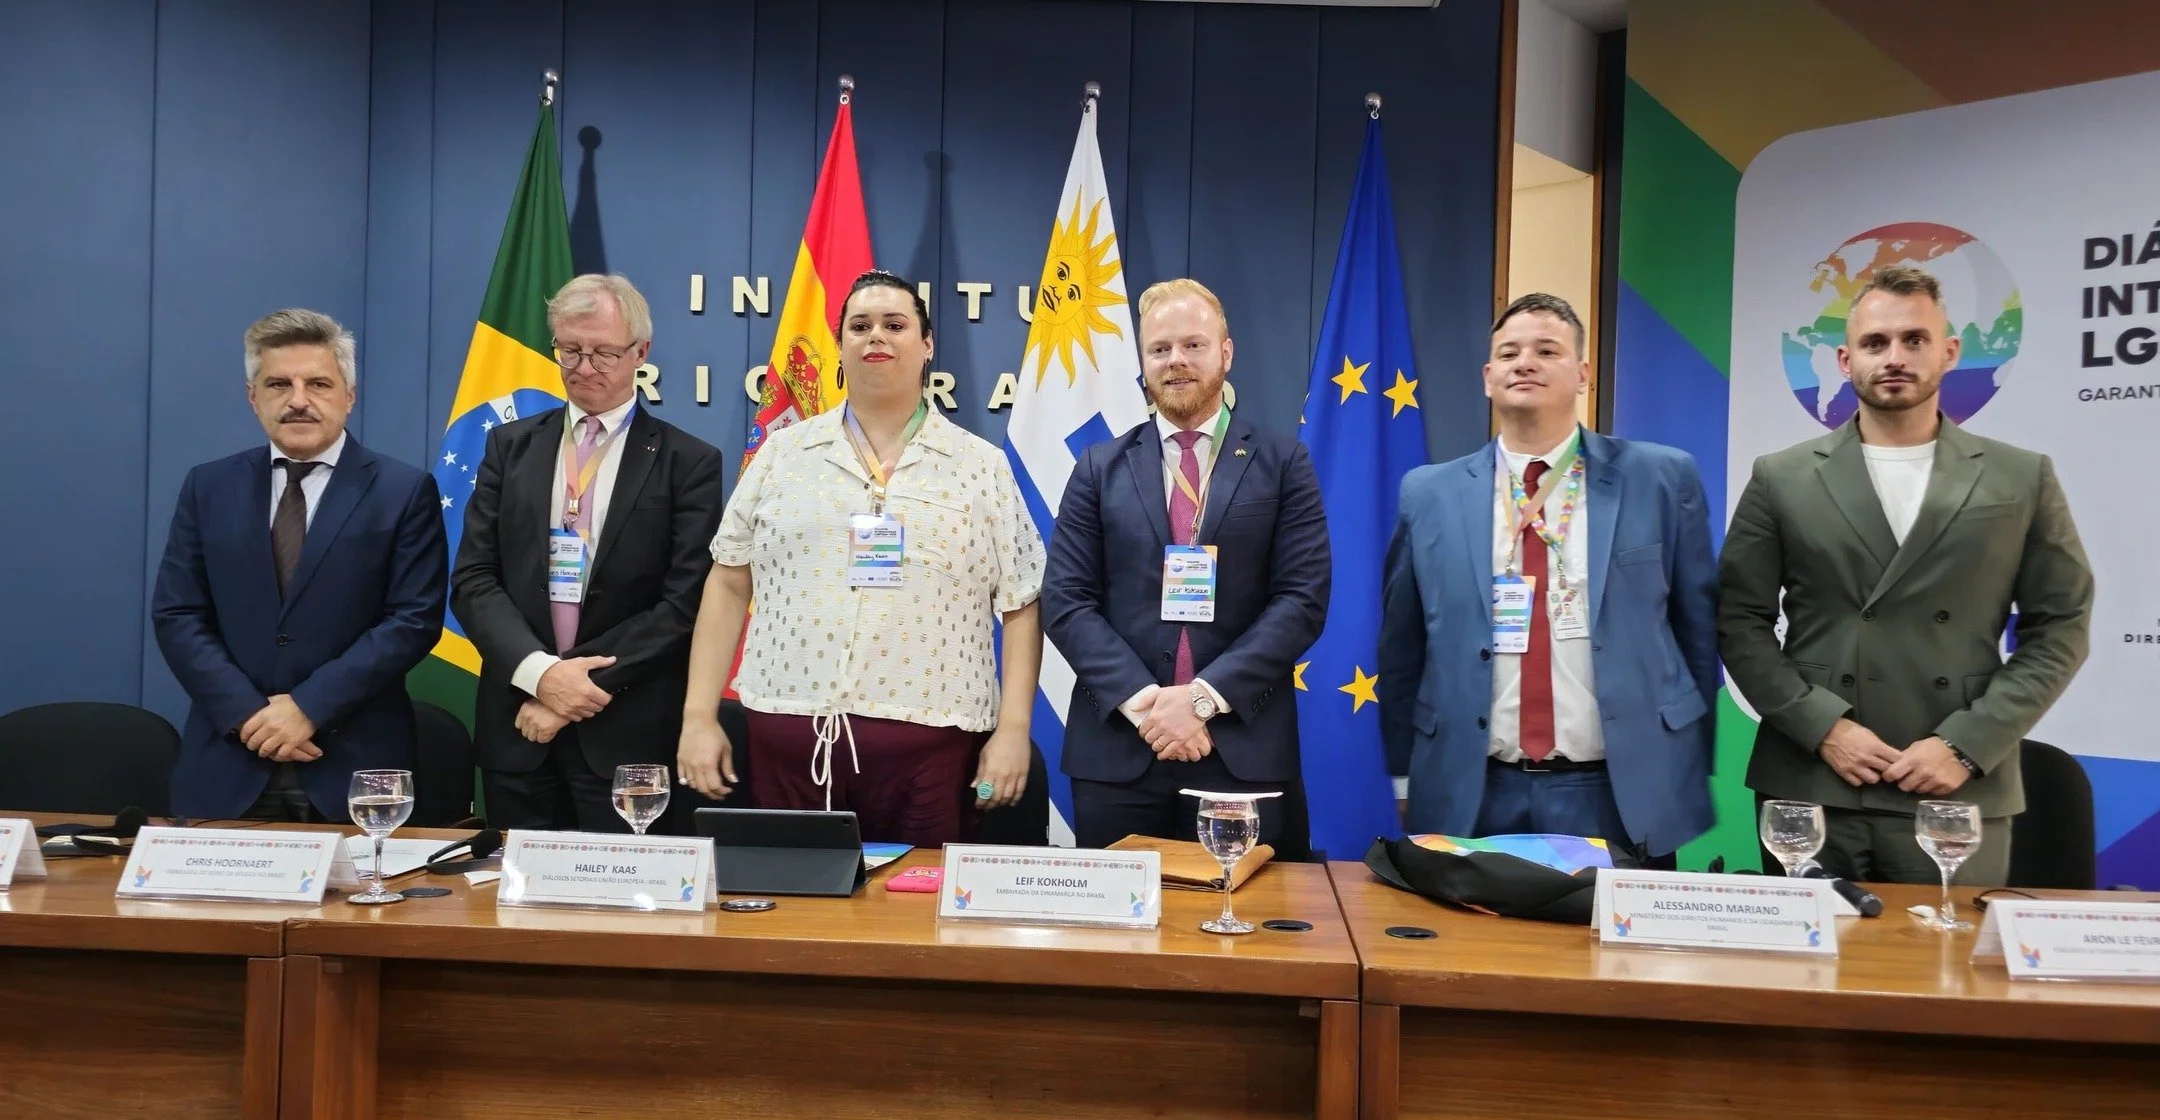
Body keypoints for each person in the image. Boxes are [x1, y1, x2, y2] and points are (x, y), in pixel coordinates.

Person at [1720, 265, 2093, 885]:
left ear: (1949, 353)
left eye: (1914, 340)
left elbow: (2062, 626)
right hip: (1815, 780)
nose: (1895, 357)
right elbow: (1738, 619)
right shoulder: (1780, 477)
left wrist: (1968, 743)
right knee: (1810, 976)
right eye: (1875, 343)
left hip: (1956, 784)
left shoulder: (2019, 477)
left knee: (1951, 975)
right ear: (1844, 359)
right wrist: (1822, 728)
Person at [677, 270, 1044, 846]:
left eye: (895, 325)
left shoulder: (980, 465)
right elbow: (727, 584)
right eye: (860, 326)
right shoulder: (784, 452)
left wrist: (1015, 728)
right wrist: (698, 715)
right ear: (841, 347)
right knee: (791, 915)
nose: (877, 336)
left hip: (931, 749)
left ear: (927, 346)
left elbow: (1021, 603)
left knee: (912, 926)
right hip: (787, 738)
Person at [1378, 293, 1718, 865]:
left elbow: (1699, 632)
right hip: (1473, 788)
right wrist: (1404, 780)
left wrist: (1681, 765)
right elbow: (1403, 646)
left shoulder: (1660, 477)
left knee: (1618, 955)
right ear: (1488, 378)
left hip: (1621, 789)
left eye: (1546, 350)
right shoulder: (1428, 493)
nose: (1524, 362)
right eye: (1508, 353)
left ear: (1583, 373)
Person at [1042, 278, 1330, 852]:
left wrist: (1199, 701)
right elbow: (1066, 601)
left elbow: (1302, 600)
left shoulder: (1283, 463)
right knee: (1117, 939)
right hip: (1120, 750)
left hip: (1241, 752)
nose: (1177, 361)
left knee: (1245, 931)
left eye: (1193, 345)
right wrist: (1151, 707)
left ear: (1225, 352)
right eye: (1160, 349)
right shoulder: (1099, 468)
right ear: (1143, 363)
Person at [453, 274, 724, 833]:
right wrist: (539, 674)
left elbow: (684, 603)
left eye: (603, 353)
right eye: (570, 351)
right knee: (518, 912)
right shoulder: (510, 446)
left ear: (640, 353)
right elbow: (475, 579)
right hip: (518, 728)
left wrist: (573, 688)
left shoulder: (687, 462)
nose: (583, 368)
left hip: (627, 733)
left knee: (626, 911)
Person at [152, 309, 446, 822]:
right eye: (278, 385)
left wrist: (308, 707)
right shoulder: (208, 486)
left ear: (349, 395)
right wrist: (250, 716)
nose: (299, 401)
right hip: (228, 759)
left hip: (354, 766)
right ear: (253, 397)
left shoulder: (403, 491)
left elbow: (412, 620)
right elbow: (178, 614)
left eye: (318, 383)